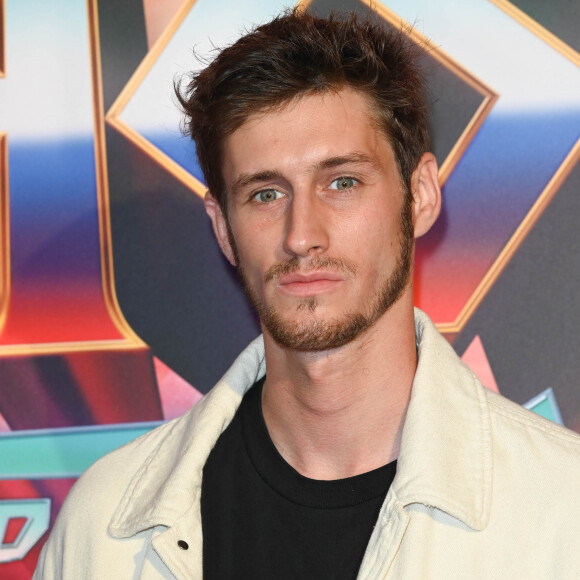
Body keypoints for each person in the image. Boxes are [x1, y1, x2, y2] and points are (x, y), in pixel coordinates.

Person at [34, 9, 580, 579]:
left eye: (342, 182)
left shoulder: (561, 512)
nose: (301, 236)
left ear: (419, 195)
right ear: (223, 228)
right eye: (266, 194)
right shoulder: (105, 528)